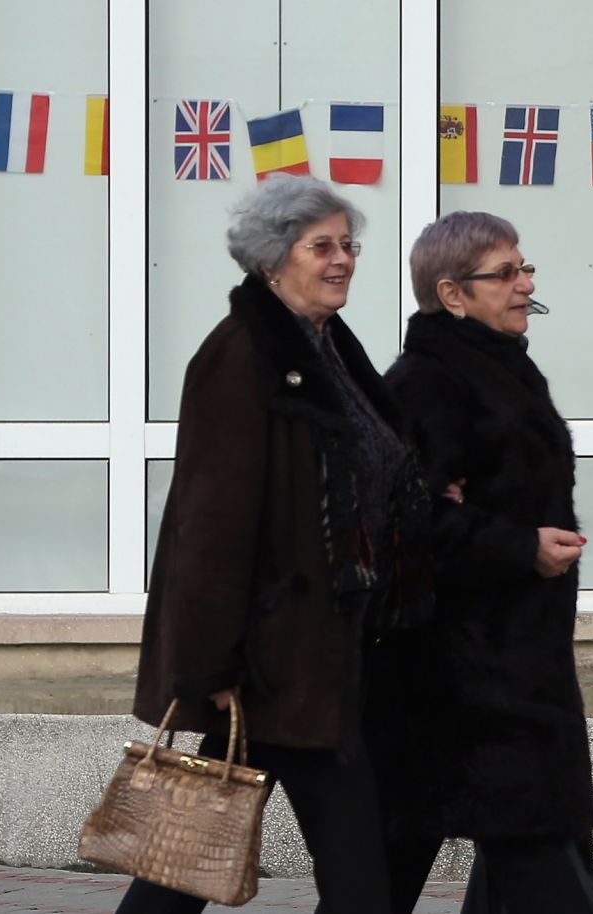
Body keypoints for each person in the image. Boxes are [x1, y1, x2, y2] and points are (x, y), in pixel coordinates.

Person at [118, 174, 433, 914]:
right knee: (356, 882)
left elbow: (371, 462)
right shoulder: (241, 356)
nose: (342, 259)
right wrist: (209, 665)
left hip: (323, 655)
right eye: (320, 246)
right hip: (271, 661)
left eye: (348, 245)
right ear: (271, 259)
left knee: (188, 858)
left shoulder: (325, 349)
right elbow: (211, 522)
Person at [372, 211, 593, 914]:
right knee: (538, 861)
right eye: (505, 273)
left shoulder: (508, 368)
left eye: (525, 268)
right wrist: (520, 546)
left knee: (512, 851)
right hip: (463, 674)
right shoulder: (425, 383)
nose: (525, 284)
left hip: (524, 661)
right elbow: (409, 526)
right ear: (452, 294)